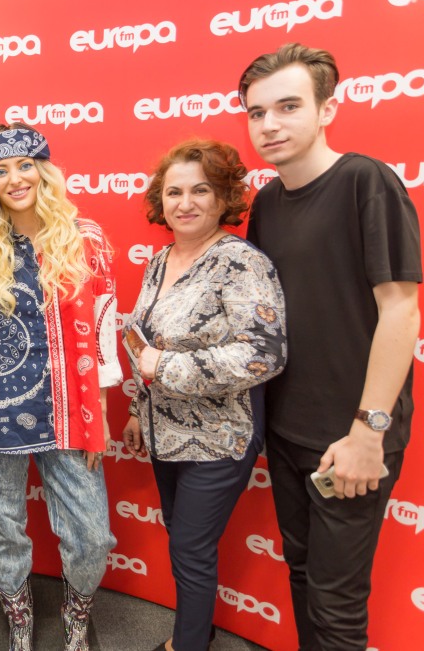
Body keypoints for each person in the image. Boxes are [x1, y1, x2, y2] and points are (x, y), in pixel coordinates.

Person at [239, 43, 422, 650]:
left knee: (337, 607)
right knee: (302, 574)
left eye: (288, 106)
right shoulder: (267, 202)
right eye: (257, 112)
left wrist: (369, 433)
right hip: (287, 431)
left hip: (351, 436)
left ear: (327, 110)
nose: (270, 124)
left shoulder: (366, 182)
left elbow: (401, 310)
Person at [0, 123, 122, 651]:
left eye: (25, 165)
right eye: (1, 171)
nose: (15, 179)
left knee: (92, 537)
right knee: (3, 529)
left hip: (71, 413)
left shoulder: (85, 239)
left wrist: (101, 412)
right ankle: (18, 616)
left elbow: (104, 331)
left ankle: (77, 612)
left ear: (44, 171)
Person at [120, 139, 287, 651]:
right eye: (174, 192)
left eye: (200, 190)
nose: (185, 203)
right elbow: (146, 342)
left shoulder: (240, 262)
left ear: (223, 199)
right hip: (164, 432)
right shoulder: (160, 260)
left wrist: (168, 367)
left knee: (191, 548)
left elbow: (264, 354)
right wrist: (138, 409)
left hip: (219, 436)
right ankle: (199, 629)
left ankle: (187, 644)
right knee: (182, 538)